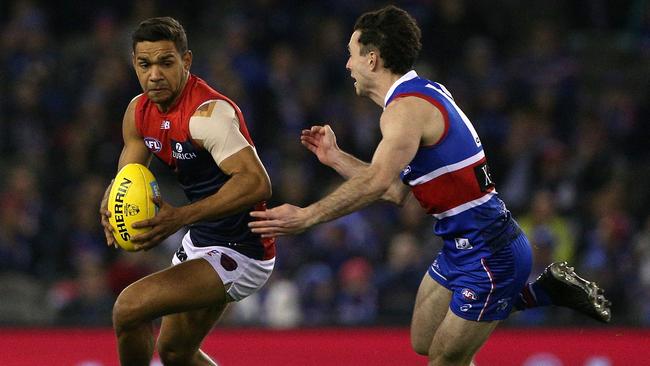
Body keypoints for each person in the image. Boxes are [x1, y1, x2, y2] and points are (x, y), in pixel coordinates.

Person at [249, 6, 610, 366]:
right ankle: (542, 292)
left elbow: (377, 182)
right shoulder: (420, 95)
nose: (347, 65)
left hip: (491, 253)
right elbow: (395, 191)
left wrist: (307, 216)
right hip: (461, 247)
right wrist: (336, 157)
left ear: (372, 59)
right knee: (424, 340)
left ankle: (535, 294)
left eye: (351, 54)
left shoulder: (406, 111)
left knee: (444, 360)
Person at [99, 17, 275, 366]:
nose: (154, 75)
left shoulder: (208, 114)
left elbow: (257, 183)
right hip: (202, 240)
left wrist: (180, 217)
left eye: (166, 62)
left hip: (242, 249)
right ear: (134, 64)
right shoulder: (138, 111)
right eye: (144, 64)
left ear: (187, 61)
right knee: (175, 353)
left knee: (129, 307)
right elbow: (127, 175)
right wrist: (110, 204)